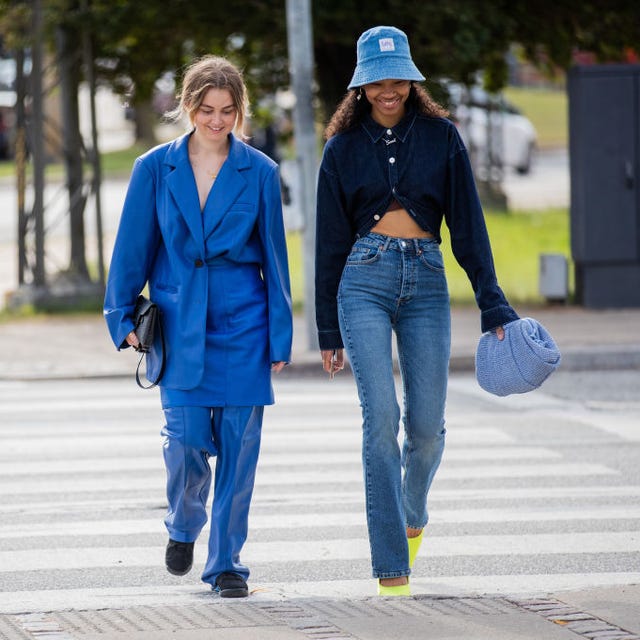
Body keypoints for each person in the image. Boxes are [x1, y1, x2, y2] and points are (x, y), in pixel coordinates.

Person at [315, 26, 518, 596]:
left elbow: (470, 228)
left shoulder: (441, 137)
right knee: (380, 418)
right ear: (360, 85)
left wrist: (493, 304)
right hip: (363, 282)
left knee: (426, 430)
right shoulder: (342, 147)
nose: (388, 89)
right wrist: (326, 329)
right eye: (376, 79)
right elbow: (329, 242)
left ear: (411, 78)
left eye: (397, 76)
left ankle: (413, 515)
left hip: (427, 282)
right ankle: (391, 570)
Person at [104, 55, 293, 598]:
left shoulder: (259, 171)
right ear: (188, 108)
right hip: (178, 318)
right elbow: (131, 249)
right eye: (206, 110)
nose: (216, 120)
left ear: (239, 111)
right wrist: (123, 318)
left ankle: (227, 563)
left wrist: (280, 335)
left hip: (243, 321)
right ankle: (184, 524)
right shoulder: (153, 168)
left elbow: (276, 262)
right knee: (185, 439)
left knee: (240, 447)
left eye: (227, 111)